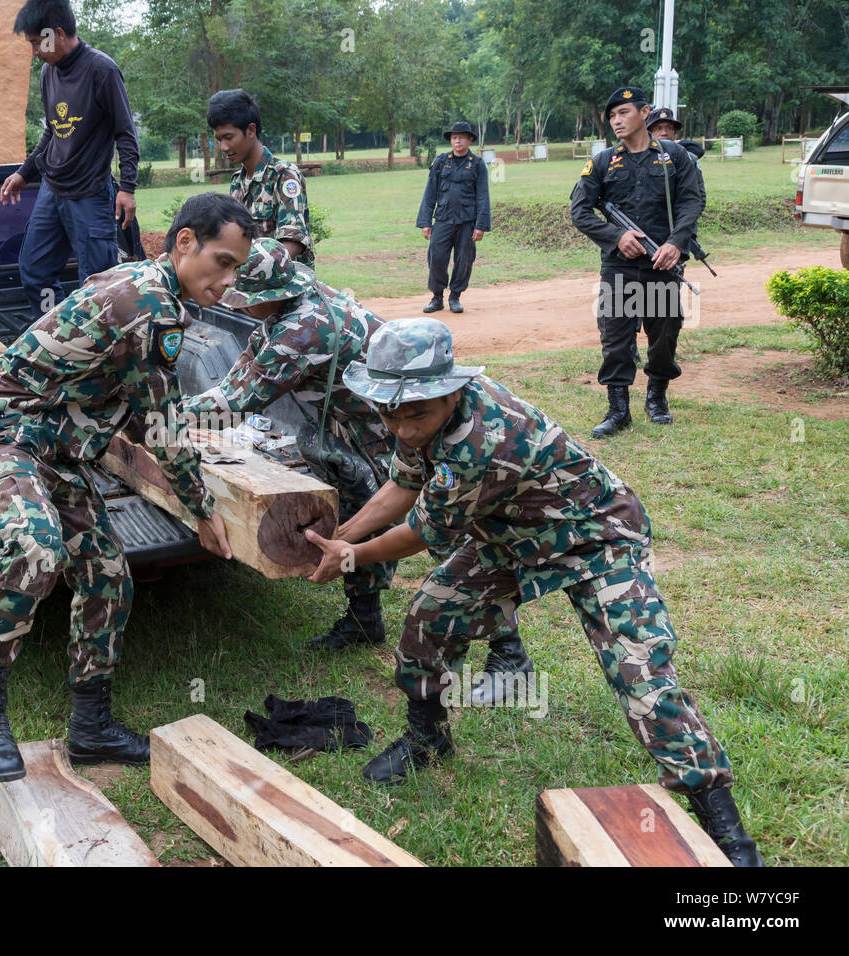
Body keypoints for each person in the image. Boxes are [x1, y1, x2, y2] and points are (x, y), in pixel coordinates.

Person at [303, 317, 763, 867]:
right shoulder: (419, 418)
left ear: (450, 392)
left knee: (640, 676)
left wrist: (351, 557)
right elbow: (404, 485)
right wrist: (340, 537)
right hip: (509, 535)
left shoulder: (484, 438)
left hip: (594, 538)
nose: (402, 428)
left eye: (415, 414)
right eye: (389, 413)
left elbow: (424, 532)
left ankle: (725, 830)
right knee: (428, 620)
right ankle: (428, 738)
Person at [0, 193, 255, 782]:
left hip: (58, 449)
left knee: (108, 572)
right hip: (6, 436)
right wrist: (202, 511)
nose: (228, 279)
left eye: (237, 268)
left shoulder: (157, 292)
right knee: (35, 549)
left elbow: (144, 414)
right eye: (222, 261)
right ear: (185, 243)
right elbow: (163, 429)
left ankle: (91, 729)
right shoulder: (149, 305)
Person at [182, 240, 535, 687]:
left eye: (242, 297)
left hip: (403, 423)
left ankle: (508, 649)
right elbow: (241, 375)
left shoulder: (303, 328)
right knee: (351, 515)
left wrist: (160, 416)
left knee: (445, 534)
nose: (235, 303)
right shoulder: (279, 315)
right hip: (355, 426)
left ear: (269, 293)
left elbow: (236, 401)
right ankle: (364, 617)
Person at [570, 87, 704, 437]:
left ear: (645, 112)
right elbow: (580, 210)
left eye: (624, 113)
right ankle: (618, 410)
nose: (617, 121)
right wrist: (616, 237)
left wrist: (677, 243)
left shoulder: (674, 156)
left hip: (663, 261)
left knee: (664, 336)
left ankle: (657, 397)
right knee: (614, 336)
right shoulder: (602, 161)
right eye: (612, 116)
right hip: (620, 265)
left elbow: (692, 201)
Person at [2, 0, 140, 321]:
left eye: (38, 42)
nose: (35, 52)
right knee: (35, 271)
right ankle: (55, 334)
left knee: (97, 285)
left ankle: (94, 355)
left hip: (90, 193)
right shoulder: (48, 74)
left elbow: (126, 134)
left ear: (58, 34)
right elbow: (53, 132)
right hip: (53, 191)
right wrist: (25, 173)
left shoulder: (101, 70)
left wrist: (128, 188)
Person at [207, 89, 314, 268]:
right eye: (219, 140)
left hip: (286, 289)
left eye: (228, 137)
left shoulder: (283, 176)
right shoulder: (237, 183)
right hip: (250, 288)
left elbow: (292, 243)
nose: (223, 147)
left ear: (250, 130)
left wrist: (250, 271)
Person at [417, 120, 491, 315]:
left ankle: (455, 296)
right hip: (443, 219)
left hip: (467, 222)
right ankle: (437, 297)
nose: (457, 141)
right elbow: (429, 193)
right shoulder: (441, 162)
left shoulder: (477, 164)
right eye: (454, 137)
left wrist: (481, 225)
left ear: (469, 140)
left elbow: (483, 196)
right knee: (437, 257)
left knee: (464, 259)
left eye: (461, 137)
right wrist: (426, 222)